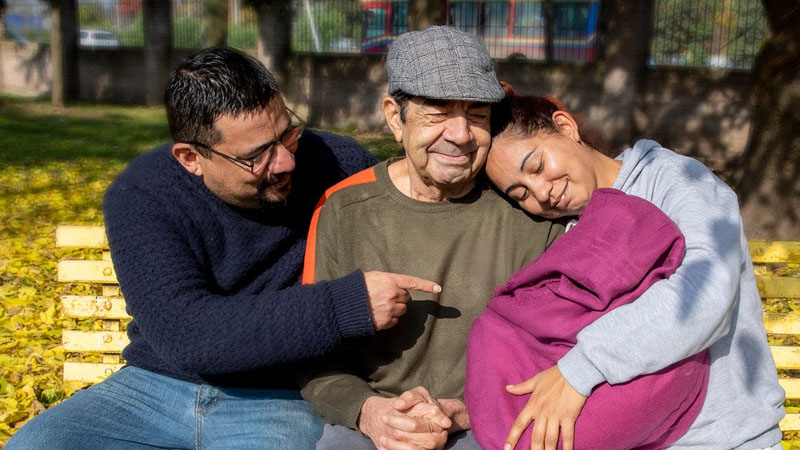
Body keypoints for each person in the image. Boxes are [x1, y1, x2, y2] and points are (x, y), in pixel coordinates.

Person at [6, 47, 441, 450]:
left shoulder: (337, 161)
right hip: (151, 389)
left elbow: (431, 193)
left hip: (280, 397)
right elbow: (186, 334)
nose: (286, 161)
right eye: (257, 156)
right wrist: (343, 306)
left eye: (286, 134)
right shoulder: (142, 194)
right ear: (190, 158)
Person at [299, 26, 563, 450]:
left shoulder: (530, 207)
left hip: (495, 415)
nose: (460, 134)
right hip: (375, 421)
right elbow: (316, 355)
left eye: (476, 114)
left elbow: (559, 348)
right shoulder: (343, 211)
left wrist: (464, 409)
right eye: (438, 112)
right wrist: (370, 413)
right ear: (394, 118)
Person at [479, 93, 785, 450]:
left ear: (565, 127)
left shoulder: (677, 182)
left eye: (536, 166)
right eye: (521, 194)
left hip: (723, 438)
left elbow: (704, 294)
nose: (542, 193)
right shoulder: (567, 232)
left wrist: (579, 368)